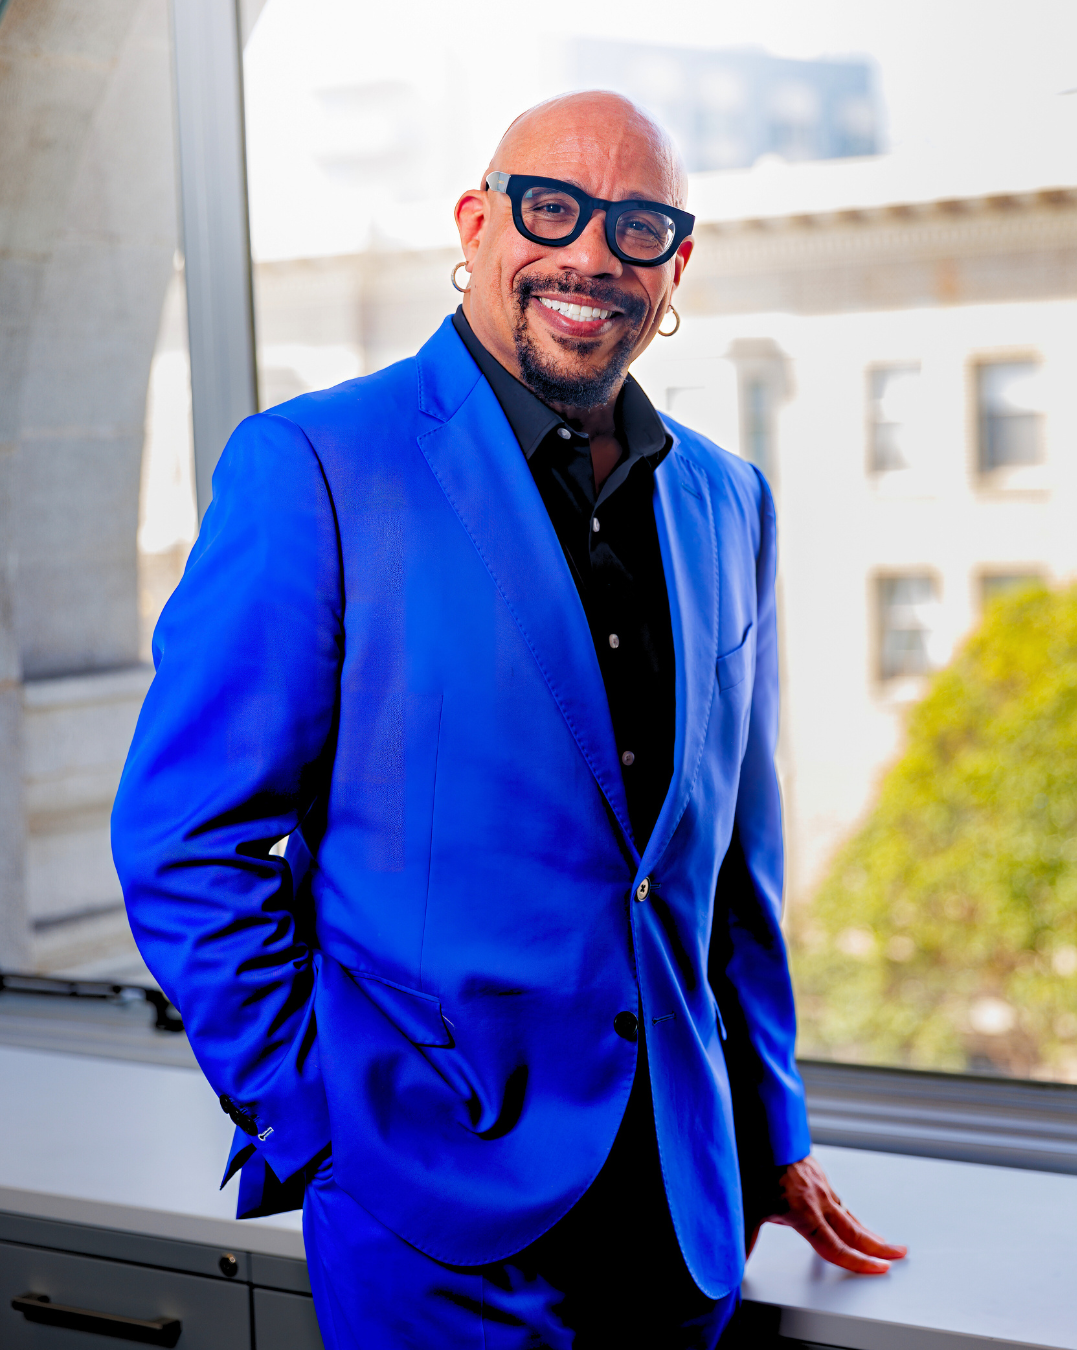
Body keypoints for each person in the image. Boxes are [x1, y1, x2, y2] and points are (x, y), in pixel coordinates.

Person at [112, 91, 904, 1349]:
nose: (593, 254)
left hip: (684, 1218)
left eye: (638, 226)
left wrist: (772, 1132)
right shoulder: (315, 464)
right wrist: (319, 1120)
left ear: (675, 265)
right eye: (554, 209)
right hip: (434, 1223)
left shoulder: (729, 500)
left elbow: (726, 871)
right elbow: (182, 843)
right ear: (479, 225)